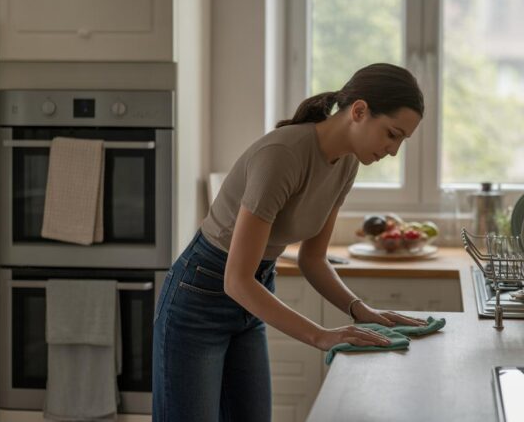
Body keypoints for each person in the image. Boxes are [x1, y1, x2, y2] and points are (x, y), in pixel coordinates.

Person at [152, 63, 426, 421]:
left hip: (251, 295)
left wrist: (361, 311)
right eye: (392, 134)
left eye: (401, 141)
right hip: (199, 294)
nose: (393, 151)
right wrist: (321, 336)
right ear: (359, 111)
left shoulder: (346, 163)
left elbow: (313, 259)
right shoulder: (283, 155)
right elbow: (236, 279)